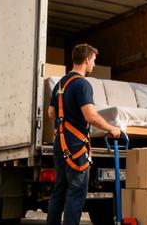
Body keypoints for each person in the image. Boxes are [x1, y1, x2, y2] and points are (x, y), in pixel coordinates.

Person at [47, 44, 121, 225]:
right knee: (77, 190)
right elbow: (90, 116)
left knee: (59, 191)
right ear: (87, 59)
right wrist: (111, 129)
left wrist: (61, 128)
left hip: (60, 142)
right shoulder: (82, 84)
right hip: (76, 146)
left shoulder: (60, 84)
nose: (94, 65)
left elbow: (51, 113)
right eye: (93, 60)